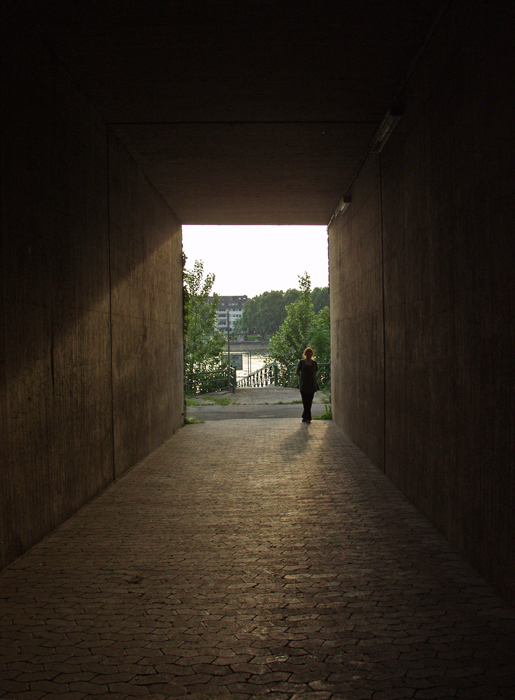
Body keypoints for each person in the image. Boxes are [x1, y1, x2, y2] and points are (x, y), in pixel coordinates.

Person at [296, 347, 318, 423]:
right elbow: (297, 372)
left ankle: (306, 416)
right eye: (307, 353)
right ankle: (308, 417)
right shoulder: (301, 362)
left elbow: (315, 372)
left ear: (312, 354)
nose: (309, 354)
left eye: (310, 353)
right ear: (305, 354)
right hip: (304, 384)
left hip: (312, 384)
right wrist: (303, 377)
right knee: (305, 401)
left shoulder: (314, 363)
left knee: (309, 401)